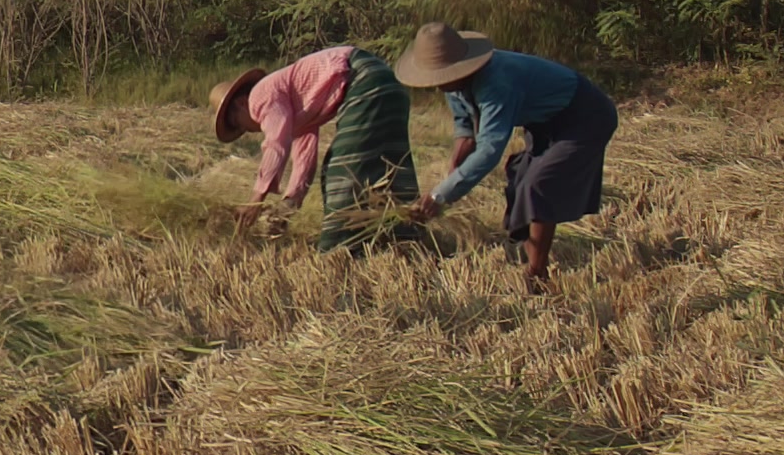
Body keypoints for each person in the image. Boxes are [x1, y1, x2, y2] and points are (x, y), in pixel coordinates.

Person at [394, 25, 618, 291]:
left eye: (442, 75)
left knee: (538, 185)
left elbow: (490, 149)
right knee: (519, 180)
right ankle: (530, 253)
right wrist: (454, 173)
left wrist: (441, 196)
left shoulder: (497, 81)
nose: (438, 85)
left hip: (583, 116)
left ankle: (537, 275)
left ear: (458, 65)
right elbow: (465, 130)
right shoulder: (453, 85)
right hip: (544, 123)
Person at [210, 43, 422, 251]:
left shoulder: (260, 96)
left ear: (240, 104)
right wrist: (289, 205)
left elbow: (276, 143)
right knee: (389, 162)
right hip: (388, 82)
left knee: (342, 168)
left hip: (363, 80)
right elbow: (304, 159)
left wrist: (255, 200)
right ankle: (405, 238)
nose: (247, 130)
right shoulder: (295, 106)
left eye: (238, 124)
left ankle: (340, 248)